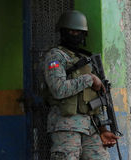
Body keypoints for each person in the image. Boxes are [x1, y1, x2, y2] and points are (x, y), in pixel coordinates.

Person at [44, 10, 119, 160]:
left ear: (84, 35)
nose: (74, 34)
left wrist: (102, 128)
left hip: (90, 127)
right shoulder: (55, 56)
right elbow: (59, 89)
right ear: (62, 32)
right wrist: (89, 79)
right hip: (66, 126)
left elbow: (95, 98)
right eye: (70, 31)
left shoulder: (87, 59)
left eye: (78, 32)